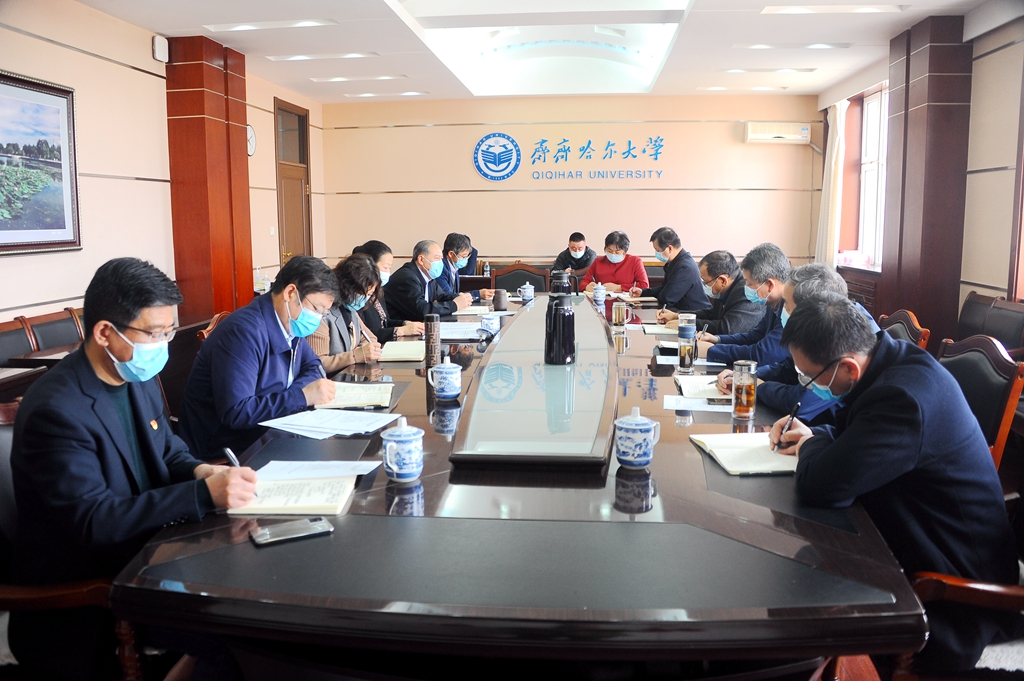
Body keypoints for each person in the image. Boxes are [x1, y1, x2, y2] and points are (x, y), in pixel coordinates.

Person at [10, 258, 256, 680]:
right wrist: (201, 495)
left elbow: (169, 452)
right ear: (105, 332)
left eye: (169, 332)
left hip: (152, 553)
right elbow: (93, 521)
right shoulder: (57, 410)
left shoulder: (134, 377)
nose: (162, 345)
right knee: (233, 637)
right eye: (154, 334)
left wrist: (202, 472)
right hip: (95, 587)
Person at [770, 293, 1023, 674]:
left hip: (949, 589)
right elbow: (850, 434)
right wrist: (815, 436)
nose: (806, 386)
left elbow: (820, 487)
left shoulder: (902, 397)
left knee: (793, 593)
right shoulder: (888, 362)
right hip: (915, 533)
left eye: (810, 377)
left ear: (848, 368)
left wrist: (811, 443)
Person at [179, 255, 339, 459]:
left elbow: (314, 367)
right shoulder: (243, 332)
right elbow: (237, 412)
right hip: (228, 448)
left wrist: (296, 395)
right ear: (290, 293)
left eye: (324, 313)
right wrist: (301, 396)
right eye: (316, 309)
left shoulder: (290, 323)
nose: (317, 318)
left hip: (271, 429)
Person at [716, 263, 873, 423]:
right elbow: (788, 368)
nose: (782, 309)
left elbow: (801, 401)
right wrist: (748, 376)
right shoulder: (816, 328)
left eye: (787, 305)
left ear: (813, 309)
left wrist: (757, 386)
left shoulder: (841, 336)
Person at [702, 242, 791, 366]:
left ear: (770, 285)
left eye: (749, 284)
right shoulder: (772, 304)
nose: (746, 288)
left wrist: (711, 350)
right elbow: (754, 336)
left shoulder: (790, 310)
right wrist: (717, 339)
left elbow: (761, 354)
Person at [657, 250, 763, 336]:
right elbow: (712, 314)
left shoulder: (746, 292)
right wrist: (678, 316)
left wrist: (687, 323)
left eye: (706, 281)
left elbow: (727, 328)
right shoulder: (725, 289)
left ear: (722, 280)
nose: (704, 285)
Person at [309, 254, 383, 374]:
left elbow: (370, 338)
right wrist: (355, 356)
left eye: (369, 294)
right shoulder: (323, 314)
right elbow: (318, 363)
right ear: (347, 286)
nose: (364, 299)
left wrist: (365, 350)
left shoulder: (350, 309)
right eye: (362, 293)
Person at [351, 240, 424, 344]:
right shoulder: (358, 296)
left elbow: (385, 322)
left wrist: (406, 323)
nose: (388, 273)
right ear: (370, 265)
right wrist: (400, 331)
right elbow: (365, 334)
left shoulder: (378, 291)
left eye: (390, 268)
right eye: (385, 267)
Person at [384, 239, 473, 321]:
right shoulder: (407, 277)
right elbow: (422, 310)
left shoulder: (428, 276)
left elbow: (442, 295)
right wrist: (455, 305)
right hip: (398, 328)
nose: (440, 263)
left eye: (441, 259)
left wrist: (458, 297)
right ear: (421, 259)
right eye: (437, 258)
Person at [629, 227, 709, 311]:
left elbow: (667, 298)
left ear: (670, 248)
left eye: (658, 250)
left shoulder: (684, 267)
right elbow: (666, 289)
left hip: (693, 314)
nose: (657, 254)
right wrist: (643, 292)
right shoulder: (675, 262)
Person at [579, 231, 649, 293]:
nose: (613, 254)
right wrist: (587, 286)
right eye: (609, 251)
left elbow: (644, 285)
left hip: (627, 301)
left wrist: (619, 287)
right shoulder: (598, 261)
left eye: (617, 251)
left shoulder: (635, 261)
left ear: (625, 251)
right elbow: (583, 282)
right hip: (603, 300)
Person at [437, 232, 494, 302]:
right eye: (463, 257)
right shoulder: (440, 269)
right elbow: (449, 296)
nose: (465, 260)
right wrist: (478, 294)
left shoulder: (453, 266)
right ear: (451, 254)